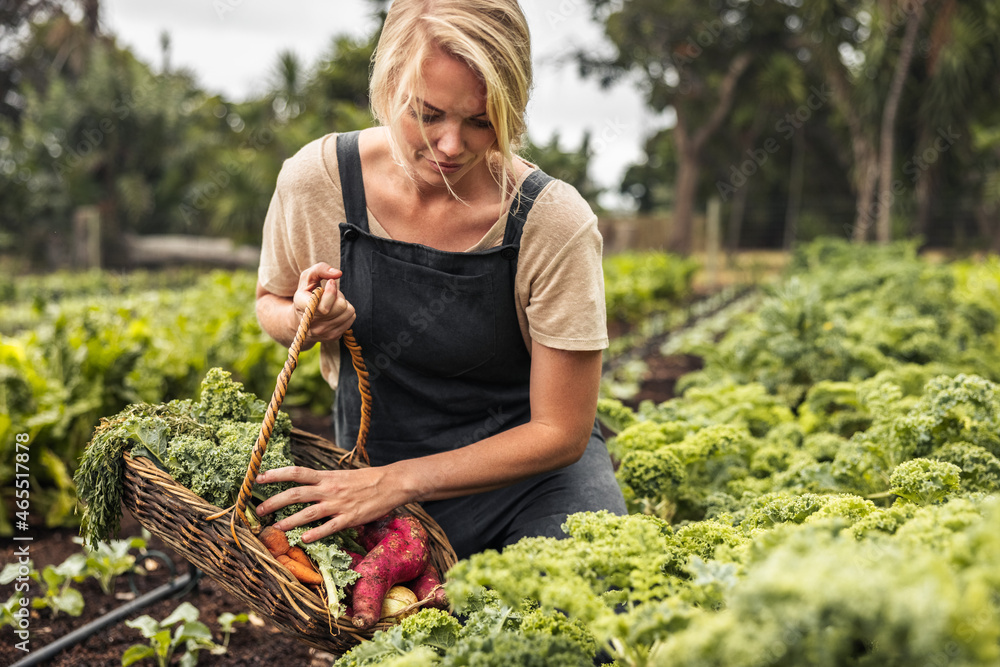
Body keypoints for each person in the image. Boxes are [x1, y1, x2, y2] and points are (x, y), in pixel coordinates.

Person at [253, 0, 626, 560]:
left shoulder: (551, 221)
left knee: (578, 621)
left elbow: (560, 431)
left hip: (531, 484)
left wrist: (400, 482)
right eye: (426, 115)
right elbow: (271, 301)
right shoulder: (318, 182)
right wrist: (305, 318)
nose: (451, 145)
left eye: (481, 120)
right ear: (387, 89)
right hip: (369, 477)